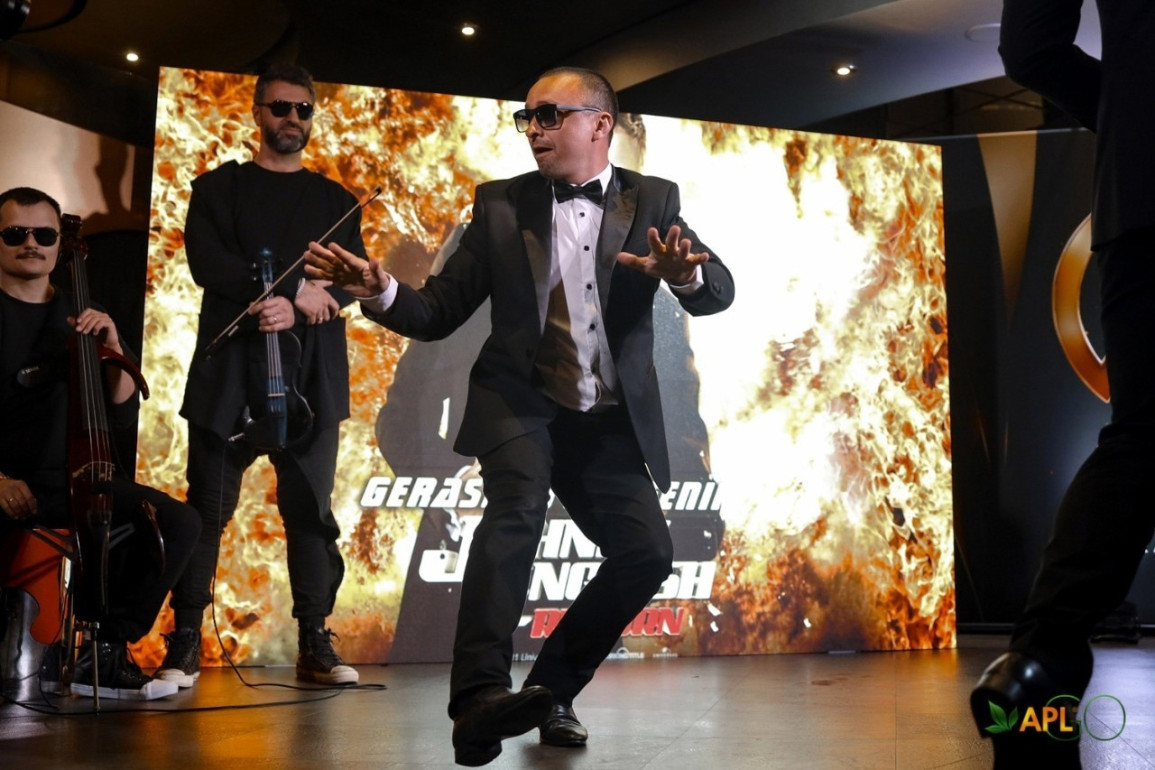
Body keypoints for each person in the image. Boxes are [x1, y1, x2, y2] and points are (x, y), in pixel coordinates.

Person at [308, 66, 735, 766]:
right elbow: (437, 311)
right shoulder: (501, 205)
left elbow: (717, 288)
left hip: (605, 420)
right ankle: (478, 701)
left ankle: (550, 692)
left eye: (549, 115)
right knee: (515, 515)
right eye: (527, 117)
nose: (533, 129)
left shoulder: (652, 199)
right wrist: (379, 290)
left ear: (599, 124)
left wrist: (684, 274)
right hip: (520, 404)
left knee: (647, 555)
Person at [971, 1, 1155, 766]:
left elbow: (1030, 48)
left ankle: (1036, 667)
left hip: (1139, 197)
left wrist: (1128, 109)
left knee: (1140, 437)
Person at [158, 64, 365, 689]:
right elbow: (207, 264)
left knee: (311, 514)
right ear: (257, 113)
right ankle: (184, 641)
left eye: (303, 110)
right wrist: (286, 291)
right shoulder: (217, 189)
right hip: (229, 373)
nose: (292, 119)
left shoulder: (336, 202)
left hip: (310, 377)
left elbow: (350, 282)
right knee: (206, 510)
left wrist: (315, 297)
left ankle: (314, 641)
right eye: (280, 107)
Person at [0, 186, 200, 700]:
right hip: (8, 480)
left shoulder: (82, 313)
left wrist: (111, 347)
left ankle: (104, 651)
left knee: (178, 522)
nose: (31, 243)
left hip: (77, 479)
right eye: (15, 233)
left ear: (59, 245)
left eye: (44, 235)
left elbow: (120, 403)